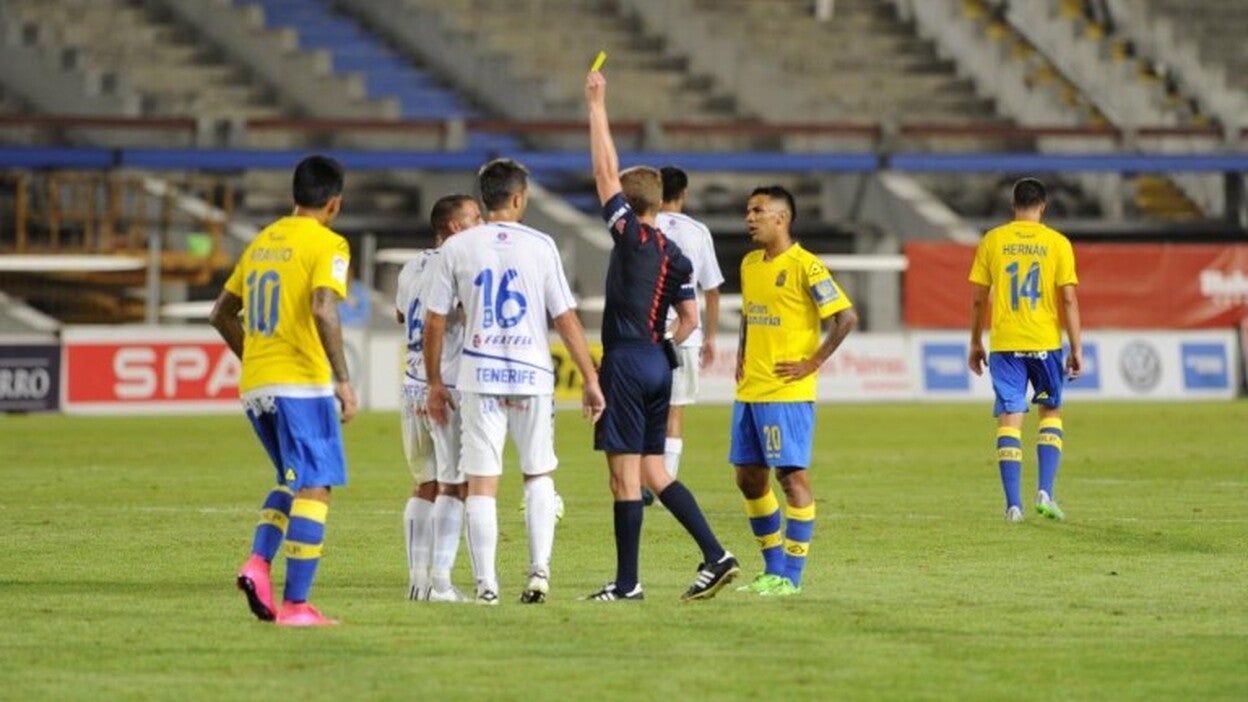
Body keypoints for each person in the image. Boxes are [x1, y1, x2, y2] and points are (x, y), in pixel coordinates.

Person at [583, 69, 739, 602]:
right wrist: (664, 347)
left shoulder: (630, 237)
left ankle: (627, 584)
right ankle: (716, 554)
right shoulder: (676, 253)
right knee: (654, 470)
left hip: (627, 362)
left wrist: (598, 106)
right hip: (659, 363)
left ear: (630, 203)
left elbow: (604, 170)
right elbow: (691, 318)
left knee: (624, 480)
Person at [423, 158, 605, 606]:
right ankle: (538, 571)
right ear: (520, 198)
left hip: (479, 375)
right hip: (532, 376)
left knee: (482, 482)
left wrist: (433, 382)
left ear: (485, 199)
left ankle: (487, 585)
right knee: (538, 472)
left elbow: (434, 320)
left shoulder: (458, 248)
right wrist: (589, 376)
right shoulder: (541, 245)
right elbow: (564, 317)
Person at [209, 154, 357, 626]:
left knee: (291, 480)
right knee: (317, 484)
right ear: (333, 203)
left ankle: (257, 563)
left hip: (256, 383)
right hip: (301, 383)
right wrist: (343, 379)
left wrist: (255, 357)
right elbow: (322, 307)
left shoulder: (261, 242)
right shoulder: (329, 243)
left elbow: (220, 314)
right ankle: (296, 605)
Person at [732, 185, 857, 598]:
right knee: (749, 478)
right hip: (752, 389)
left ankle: (793, 577)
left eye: (758, 211)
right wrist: (741, 353)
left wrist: (812, 362)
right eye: (749, 211)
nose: (750, 218)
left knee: (791, 478)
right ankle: (772, 570)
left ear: (781, 218)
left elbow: (845, 317)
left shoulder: (807, 266)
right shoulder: (750, 264)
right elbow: (750, 315)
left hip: (787, 392)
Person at [968, 177, 1082, 523]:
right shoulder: (1057, 243)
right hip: (1045, 342)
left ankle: (1013, 505)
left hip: (1006, 343)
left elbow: (978, 299)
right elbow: (1068, 298)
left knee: (1010, 420)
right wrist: (1076, 347)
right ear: (1043, 206)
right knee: (1050, 413)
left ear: (1013, 205)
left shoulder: (993, 240)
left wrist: (975, 341)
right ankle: (1045, 492)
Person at [395, 194, 482, 602]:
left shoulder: (411, 266)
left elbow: (401, 314)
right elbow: (449, 315)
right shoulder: (459, 263)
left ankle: (418, 582)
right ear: (454, 227)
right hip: (443, 387)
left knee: (423, 485)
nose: (481, 223)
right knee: (454, 486)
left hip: (410, 385)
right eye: (475, 217)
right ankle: (442, 584)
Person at [651, 165, 724, 494]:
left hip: (647, 330)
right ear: (684, 194)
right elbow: (711, 288)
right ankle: (666, 484)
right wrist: (710, 336)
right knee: (674, 411)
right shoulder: (697, 231)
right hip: (687, 331)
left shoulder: (644, 225)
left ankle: (643, 481)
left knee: (644, 409)